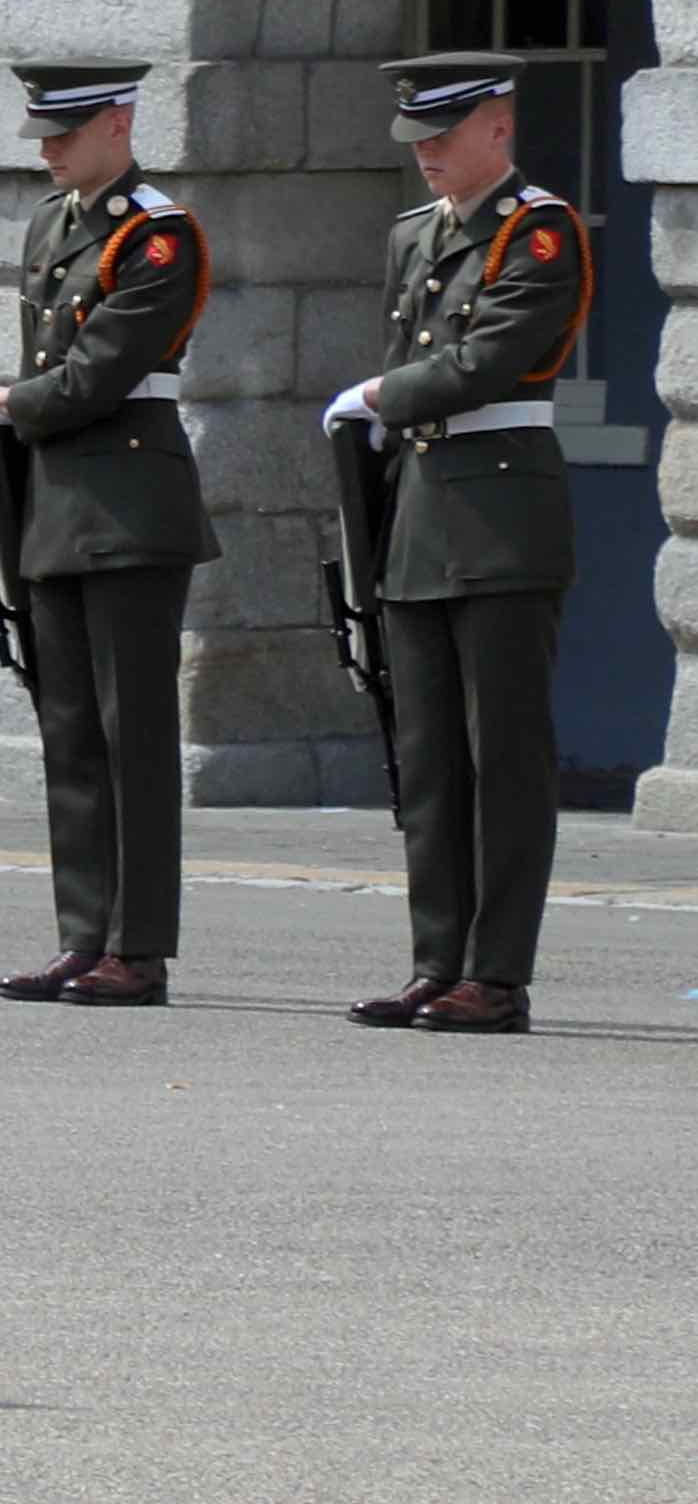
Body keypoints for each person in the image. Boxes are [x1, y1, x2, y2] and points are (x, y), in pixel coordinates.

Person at [334, 53, 586, 1037]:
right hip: (420, 510)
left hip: (500, 514)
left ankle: (495, 972)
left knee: (503, 754)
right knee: (427, 754)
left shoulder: (539, 229)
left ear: (495, 121)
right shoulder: (413, 235)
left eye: (441, 134)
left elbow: (489, 359)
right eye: (415, 138)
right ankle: (434, 960)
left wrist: (381, 397)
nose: (425, 155)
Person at [0, 60, 219, 1011]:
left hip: (128, 503)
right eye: (43, 133)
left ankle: (140, 946)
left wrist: (10, 400)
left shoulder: (157, 234)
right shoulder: (54, 224)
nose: (46, 149)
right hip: (58, 501)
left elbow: (97, 374)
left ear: (118, 125)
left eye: (64, 133)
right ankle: (84, 934)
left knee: (135, 733)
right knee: (70, 729)